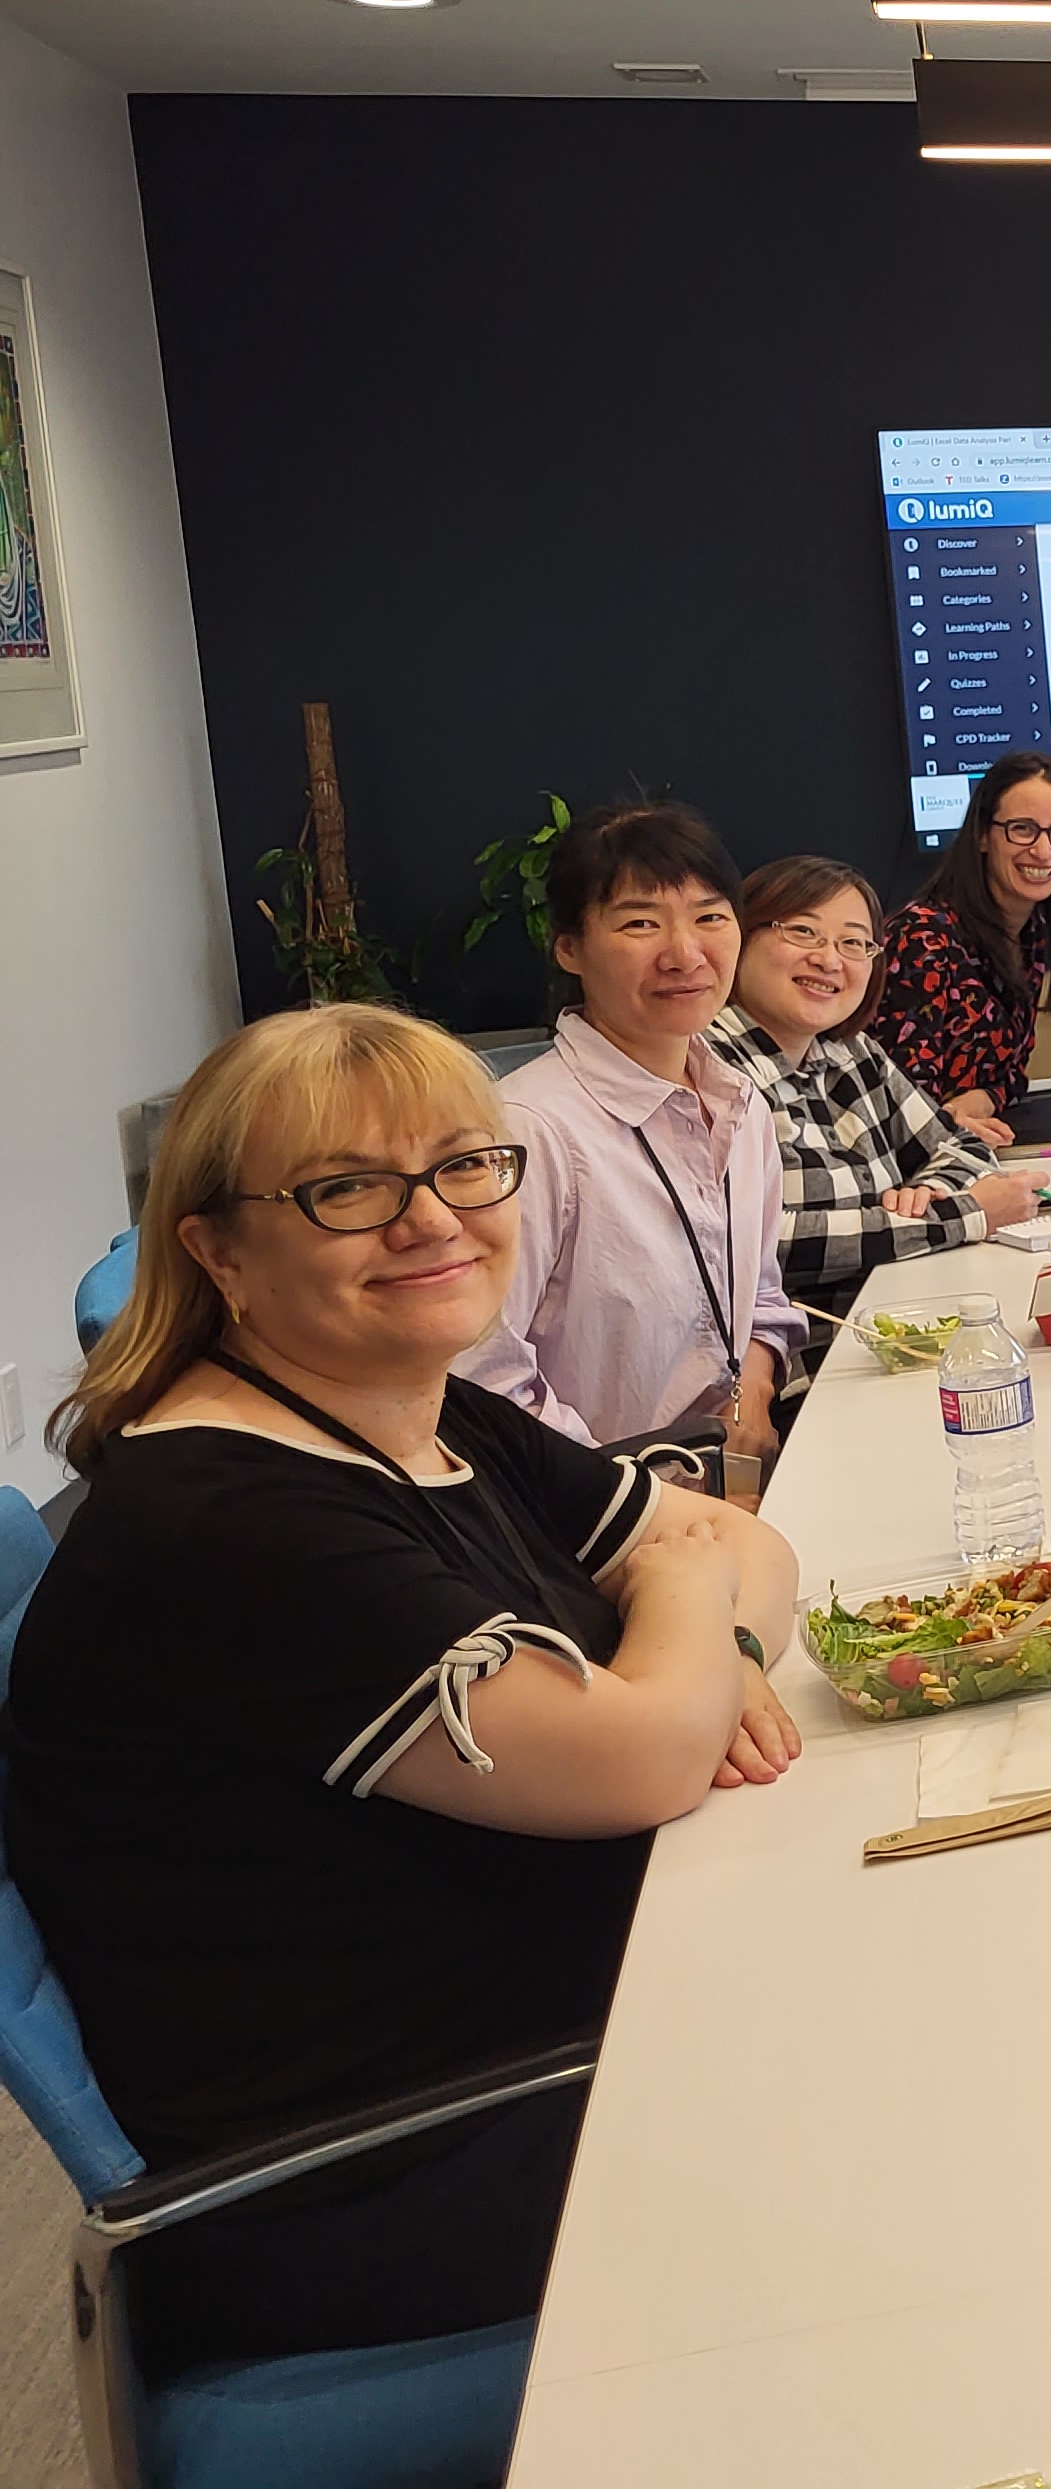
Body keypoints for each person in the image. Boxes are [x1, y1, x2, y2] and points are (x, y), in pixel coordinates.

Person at [15, 1004, 800, 2379]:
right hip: (385, 2176)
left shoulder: (405, 1397)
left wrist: (702, 1655)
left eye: (463, 1168)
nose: (430, 1221)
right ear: (217, 1249)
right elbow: (642, 1744)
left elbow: (753, 1549)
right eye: (347, 1190)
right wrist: (677, 1605)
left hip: (555, 2032)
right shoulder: (231, 1520)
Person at [460, 802, 802, 1472]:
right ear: (569, 948)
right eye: (641, 923)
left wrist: (752, 1404)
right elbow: (482, 1381)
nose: (685, 953)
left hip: (733, 1485)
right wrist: (638, 1509)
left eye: (709, 916)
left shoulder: (740, 1105)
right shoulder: (528, 1131)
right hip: (595, 1526)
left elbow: (760, 1297)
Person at [706, 856, 1045, 1336]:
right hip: (800, 1364)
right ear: (741, 937)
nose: (829, 959)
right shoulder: (707, 1070)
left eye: (853, 943)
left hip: (897, 1317)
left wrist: (926, 1193)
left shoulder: (849, 1051)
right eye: (804, 932)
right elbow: (762, 1241)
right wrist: (962, 1215)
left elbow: (960, 1145)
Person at [873, 751, 1051, 1149]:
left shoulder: (1029, 932)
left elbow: (1010, 1078)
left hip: (974, 1150)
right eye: (1022, 829)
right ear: (983, 835)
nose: (1044, 851)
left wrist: (983, 1100)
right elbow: (897, 1109)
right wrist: (952, 1119)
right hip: (913, 1171)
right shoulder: (922, 941)